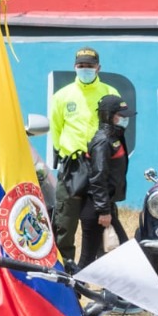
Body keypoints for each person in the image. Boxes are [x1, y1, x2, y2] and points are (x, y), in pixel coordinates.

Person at [49, 47, 119, 264]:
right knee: (64, 226)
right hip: (72, 169)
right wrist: (70, 155)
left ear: (98, 67)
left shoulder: (110, 93)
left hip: (101, 168)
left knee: (103, 225)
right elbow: (57, 130)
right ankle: (66, 278)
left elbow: (117, 129)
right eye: (81, 66)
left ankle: (102, 280)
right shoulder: (62, 96)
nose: (85, 69)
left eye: (90, 66)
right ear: (74, 67)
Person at [78, 95, 132, 268]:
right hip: (96, 209)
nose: (125, 119)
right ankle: (71, 291)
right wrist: (103, 211)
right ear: (108, 116)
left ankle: (108, 292)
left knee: (90, 258)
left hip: (103, 206)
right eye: (121, 115)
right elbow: (98, 177)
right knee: (91, 258)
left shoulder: (114, 138)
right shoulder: (103, 141)